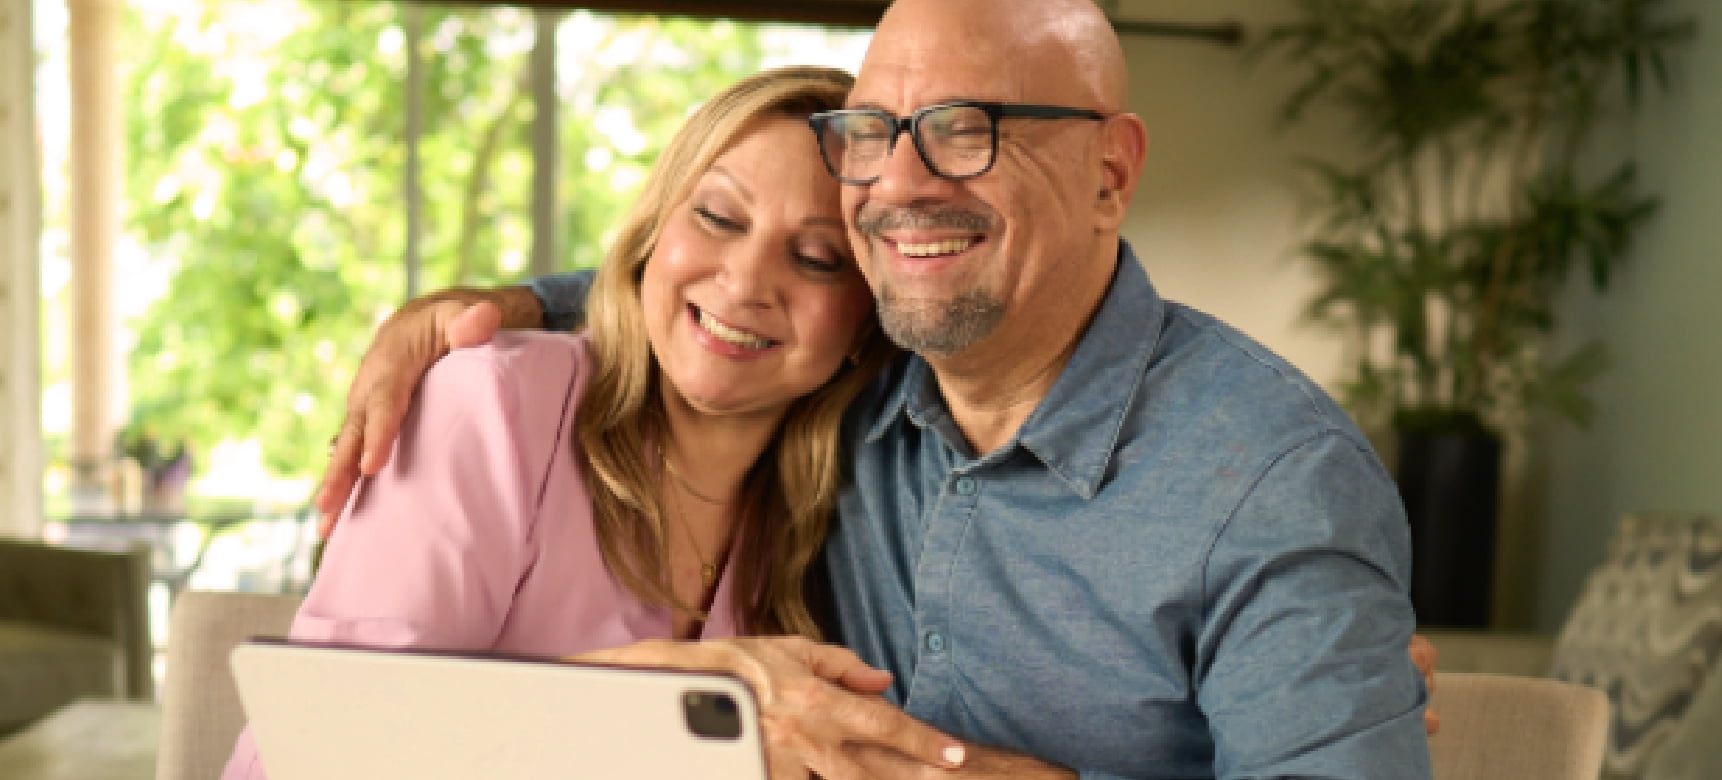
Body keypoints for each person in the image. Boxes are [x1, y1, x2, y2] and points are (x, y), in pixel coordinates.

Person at [319, 0, 1438, 777]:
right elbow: (721, 292)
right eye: (876, 134)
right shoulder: (858, 381)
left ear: (1111, 173)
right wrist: (499, 303)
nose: (902, 184)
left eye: (966, 132)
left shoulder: (1275, 485)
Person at [222, 66, 970, 780]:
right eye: (716, 216)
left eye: (815, 258)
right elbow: (328, 741)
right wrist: (663, 691)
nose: (744, 283)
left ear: (865, 327)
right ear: (650, 238)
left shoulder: (823, 520)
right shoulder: (489, 401)